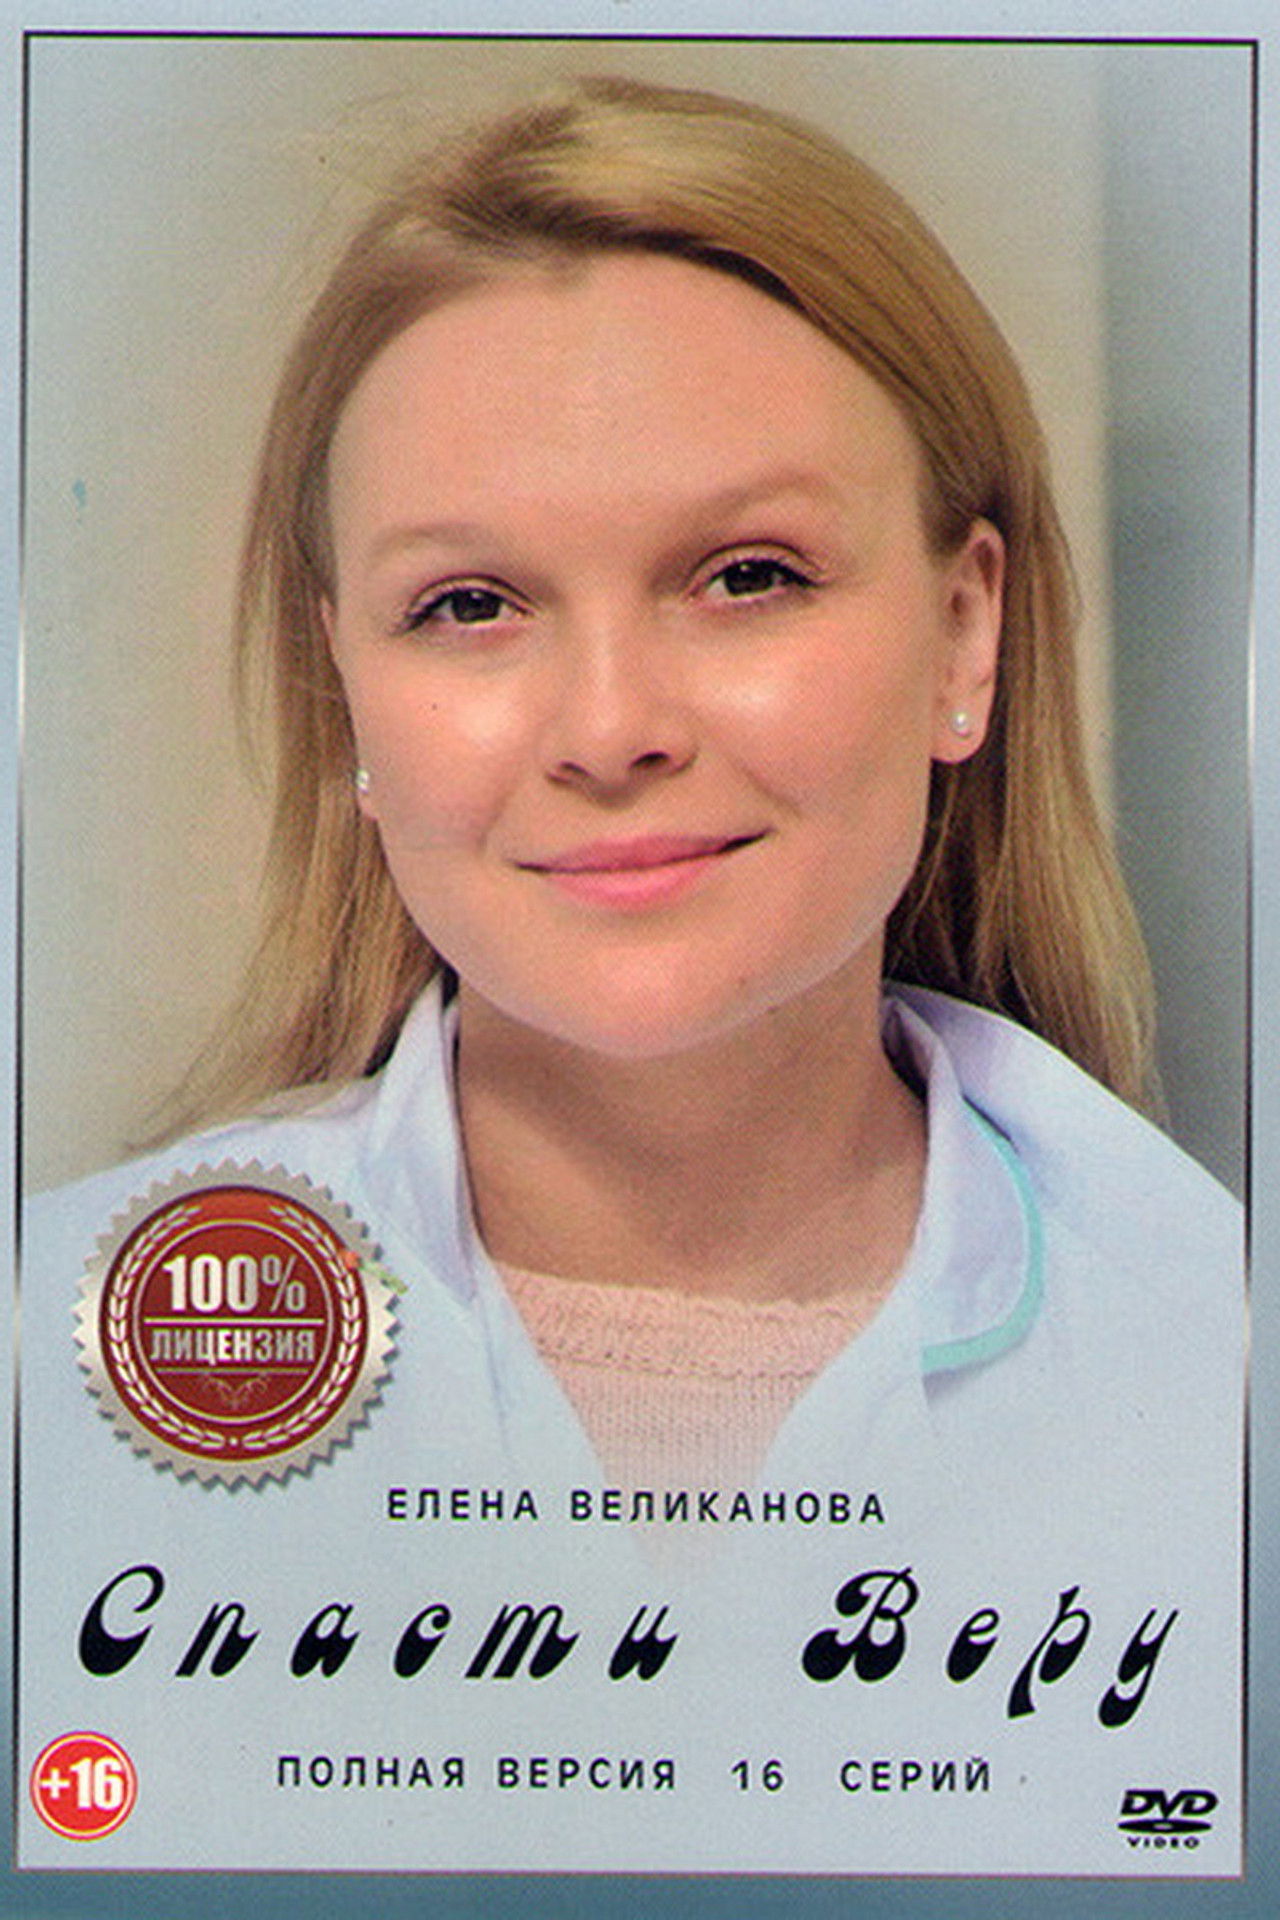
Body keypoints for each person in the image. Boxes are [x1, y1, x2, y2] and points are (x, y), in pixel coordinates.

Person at [20, 78, 1241, 1874]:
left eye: (746, 576)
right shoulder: (42, 1376)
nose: (609, 730)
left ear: (962, 635)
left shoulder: (1222, 1361)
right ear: (348, 687)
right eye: (469, 605)